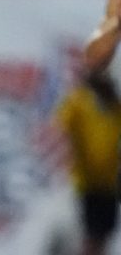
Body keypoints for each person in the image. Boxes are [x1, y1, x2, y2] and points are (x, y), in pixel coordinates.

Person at [53, 70, 121, 255]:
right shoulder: (80, 104)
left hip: (109, 184)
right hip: (87, 183)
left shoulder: (115, 107)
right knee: (90, 235)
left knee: (103, 235)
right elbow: (61, 124)